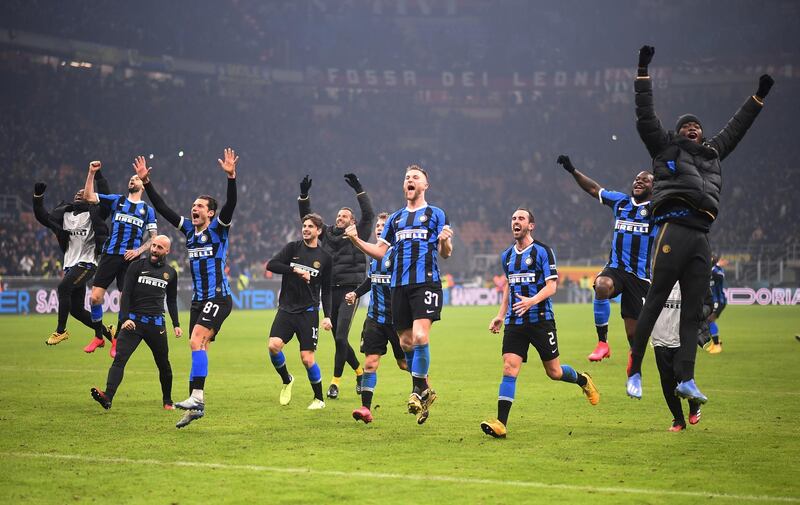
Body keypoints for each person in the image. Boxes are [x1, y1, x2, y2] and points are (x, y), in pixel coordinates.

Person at [626, 45, 773, 402]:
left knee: (694, 312)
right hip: (672, 229)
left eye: (696, 126)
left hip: (701, 236)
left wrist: (758, 97)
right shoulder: (665, 148)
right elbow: (646, 117)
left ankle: (687, 378)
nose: (692, 128)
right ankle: (634, 369)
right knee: (655, 300)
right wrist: (642, 70)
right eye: (685, 126)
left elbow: (736, 128)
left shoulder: (712, 152)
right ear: (678, 134)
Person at [135, 149, 238, 428]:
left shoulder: (218, 229)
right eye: (193, 206)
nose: (194, 209)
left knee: (195, 342)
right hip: (198, 300)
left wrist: (231, 177)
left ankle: (196, 399)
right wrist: (147, 183)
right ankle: (196, 404)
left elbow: (231, 205)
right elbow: (165, 209)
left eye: (200, 206)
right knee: (199, 346)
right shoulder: (190, 233)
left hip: (218, 296)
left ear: (211, 213)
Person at [345, 164, 452, 424]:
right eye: (407, 178)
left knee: (419, 335)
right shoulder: (395, 218)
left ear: (425, 185)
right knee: (405, 343)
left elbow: (446, 253)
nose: (410, 181)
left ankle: (418, 390)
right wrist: (356, 241)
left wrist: (446, 240)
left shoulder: (436, 213)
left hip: (425, 283)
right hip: (399, 287)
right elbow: (381, 251)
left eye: (415, 177)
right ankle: (425, 388)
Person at [480, 208, 599, 439]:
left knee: (553, 372)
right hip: (516, 322)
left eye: (521, 218)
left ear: (531, 225)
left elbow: (552, 286)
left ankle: (582, 379)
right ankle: (501, 424)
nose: (516, 221)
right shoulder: (507, 256)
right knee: (509, 367)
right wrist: (501, 315)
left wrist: (531, 301)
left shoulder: (543, 252)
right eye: (513, 218)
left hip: (541, 320)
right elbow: (509, 286)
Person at [557, 155, 654, 362]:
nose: (638, 181)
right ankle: (602, 343)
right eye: (637, 179)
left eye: (645, 180)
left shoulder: (656, 210)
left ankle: (634, 364)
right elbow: (594, 189)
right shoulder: (621, 202)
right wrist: (573, 170)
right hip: (616, 269)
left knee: (633, 336)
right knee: (601, 285)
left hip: (639, 276)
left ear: (654, 188)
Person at [298, 174, 374, 400]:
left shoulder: (358, 234)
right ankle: (359, 372)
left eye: (345, 216)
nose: (340, 218)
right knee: (338, 338)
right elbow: (308, 219)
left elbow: (369, 214)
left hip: (351, 290)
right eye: (338, 215)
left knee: (340, 338)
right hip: (329, 290)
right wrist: (304, 196)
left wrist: (359, 189)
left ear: (352, 221)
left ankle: (335, 383)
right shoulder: (328, 235)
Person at [90, 235, 181, 411]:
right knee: (119, 359)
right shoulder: (136, 266)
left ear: (167, 251)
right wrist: (125, 319)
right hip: (134, 323)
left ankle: (168, 401)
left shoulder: (170, 273)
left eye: (159, 247)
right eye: (153, 245)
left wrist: (176, 323)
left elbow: (171, 301)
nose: (154, 249)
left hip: (156, 325)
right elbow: (126, 294)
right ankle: (107, 397)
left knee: (163, 364)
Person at [83, 161, 158, 358]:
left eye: (136, 178)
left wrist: (138, 250)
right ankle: (99, 336)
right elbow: (88, 196)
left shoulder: (147, 210)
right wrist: (91, 173)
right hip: (110, 255)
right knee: (94, 298)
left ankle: (117, 341)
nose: (132, 179)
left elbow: (153, 238)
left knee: (125, 300)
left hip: (130, 260)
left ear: (143, 184)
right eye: (131, 178)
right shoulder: (118, 201)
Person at [32, 176, 114, 347]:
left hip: (87, 263)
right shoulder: (65, 214)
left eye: (84, 192)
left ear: (91, 197)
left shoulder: (95, 214)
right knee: (76, 310)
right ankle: (107, 333)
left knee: (63, 287)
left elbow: (106, 198)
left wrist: (98, 176)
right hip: (71, 266)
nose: (79, 193)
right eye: (77, 193)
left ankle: (61, 331)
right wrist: (38, 198)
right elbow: (43, 217)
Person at [266, 213, 333, 410]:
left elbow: (327, 289)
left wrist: (327, 315)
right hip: (286, 309)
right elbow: (272, 265)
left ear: (318, 231)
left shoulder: (325, 258)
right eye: (304, 225)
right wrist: (295, 270)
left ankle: (319, 399)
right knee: (273, 346)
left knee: (307, 358)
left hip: (309, 311)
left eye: (310, 226)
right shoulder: (292, 248)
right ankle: (287, 379)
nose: (305, 229)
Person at [345, 212, 408, 424]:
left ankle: (424, 385)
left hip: (397, 321)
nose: (380, 228)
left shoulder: (399, 254)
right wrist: (356, 293)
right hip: (374, 318)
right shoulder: (374, 255)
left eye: (384, 225)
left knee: (403, 364)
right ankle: (365, 408)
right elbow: (371, 280)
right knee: (370, 362)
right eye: (378, 225)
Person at [650, 281, 702, 431]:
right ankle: (679, 420)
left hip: (682, 340)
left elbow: (705, 305)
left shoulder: (688, 281)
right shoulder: (654, 284)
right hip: (659, 340)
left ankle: (694, 404)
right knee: (667, 382)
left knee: (681, 374)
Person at [706, 255, 727, 354]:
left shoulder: (717, 270)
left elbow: (720, 276)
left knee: (710, 319)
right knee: (706, 321)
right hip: (711, 301)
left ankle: (717, 345)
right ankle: (715, 342)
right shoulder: (706, 270)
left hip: (719, 301)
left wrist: (717, 266)